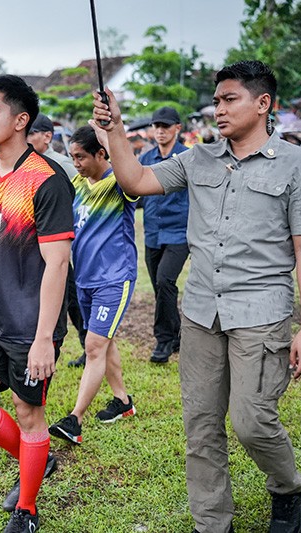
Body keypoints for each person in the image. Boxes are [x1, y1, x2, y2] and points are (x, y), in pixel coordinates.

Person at [93, 60, 301, 533]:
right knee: (200, 426)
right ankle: (212, 524)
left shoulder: (299, 163)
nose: (217, 109)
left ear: (263, 104)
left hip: (261, 310)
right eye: (216, 100)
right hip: (201, 310)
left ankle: (287, 487)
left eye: (229, 99)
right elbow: (135, 180)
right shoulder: (198, 158)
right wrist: (115, 129)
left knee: (251, 422)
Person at [0, 75, 74, 533]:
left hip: (31, 327)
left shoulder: (47, 180)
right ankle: (36, 460)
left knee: (30, 414)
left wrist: (45, 338)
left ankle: (27, 509)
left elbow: (57, 264)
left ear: (21, 120)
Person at [48, 125, 137, 446]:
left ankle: (75, 420)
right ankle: (123, 401)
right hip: (84, 279)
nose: (77, 163)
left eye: (81, 157)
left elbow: (131, 172)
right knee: (105, 342)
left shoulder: (120, 183)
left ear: (101, 154)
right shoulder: (77, 184)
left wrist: (109, 133)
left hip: (114, 279)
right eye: (72, 157)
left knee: (94, 346)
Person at [27, 113, 88, 368]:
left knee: (73, 300)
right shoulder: (23, 164)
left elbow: (84, 197)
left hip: (63, 243)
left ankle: (89, 347)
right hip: (34, 246)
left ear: (47, 136)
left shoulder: (64, 164)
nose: (27, 138)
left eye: (31, 133)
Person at [139, 107, 190, 363]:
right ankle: (177, 333)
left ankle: (163, 341)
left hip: (179, 232)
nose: (160, 131)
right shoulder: (146, 158)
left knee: (164, 281)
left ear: (177, 128)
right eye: (156, 126)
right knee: (162, 290)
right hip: (152, 232)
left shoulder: (188, 158)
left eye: (166, 126)